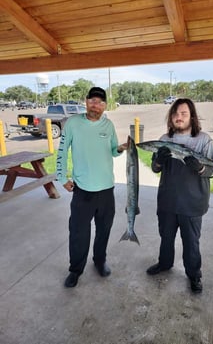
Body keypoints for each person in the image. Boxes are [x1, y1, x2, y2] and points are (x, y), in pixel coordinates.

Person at [56, 87, 127, 288]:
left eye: (100, 102)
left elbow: (113, 151)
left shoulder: (108, 124)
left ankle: (100, 260)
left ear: (105, 106)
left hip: (106, 190)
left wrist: (121, 148)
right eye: (92, 101)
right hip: (82, 190)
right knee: (79, 233)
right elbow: (62, 152)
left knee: (104, 230)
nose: (96, 105)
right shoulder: (73, 123)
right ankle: (75, 270)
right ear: (86, 102)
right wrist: (61, 177)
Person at [146, 98, 213, 293]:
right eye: (175, 113)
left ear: (192, 117)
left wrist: (201, 167)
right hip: (168, 201)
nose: (179, 117)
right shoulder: (164, 139)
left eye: (184, 113)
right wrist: (158, 161)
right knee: (166, 238)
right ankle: (164, 264)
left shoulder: (203, 140)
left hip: (193, 203)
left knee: (191, 242)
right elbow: (155, 168)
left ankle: (194, 275)